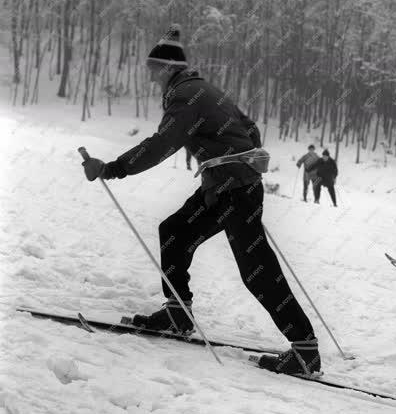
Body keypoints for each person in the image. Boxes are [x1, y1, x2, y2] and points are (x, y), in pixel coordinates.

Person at [81, 25, 320, 375]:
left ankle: (305, 350)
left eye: (153, 70)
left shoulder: (185, 95)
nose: (151, 79)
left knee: (256, 270)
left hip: (233, 189)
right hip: (225, 186)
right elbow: (250, 128)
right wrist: (238, 153)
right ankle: (178, 313)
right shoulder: (207, 90)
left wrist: (113, 168)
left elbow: (164, 143)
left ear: (167, 68)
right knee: (175, 231)